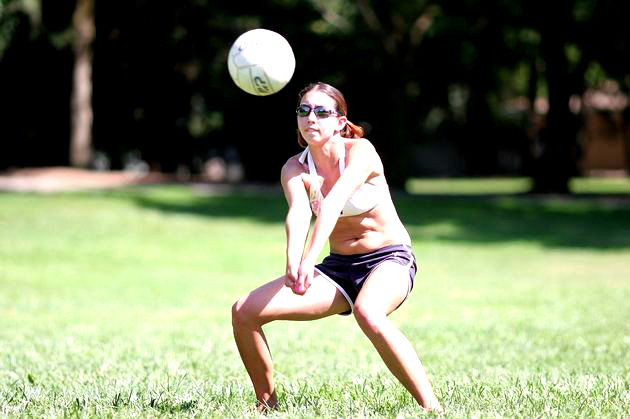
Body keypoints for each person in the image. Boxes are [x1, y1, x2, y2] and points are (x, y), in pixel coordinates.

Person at [231, 82, 443, 413]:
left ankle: (432, 407)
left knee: (368, 313)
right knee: (244, 311)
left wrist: (308, 260)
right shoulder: (295, 167)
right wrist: (292, 261)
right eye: (303, 110)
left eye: (321, 112)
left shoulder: (361, 152)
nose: (310, 118)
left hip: (388, 259)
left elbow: (331, 205)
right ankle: (267, 406)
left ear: (340, 122)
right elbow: (299, 213)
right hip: (338, 270)